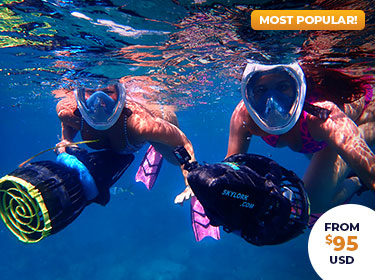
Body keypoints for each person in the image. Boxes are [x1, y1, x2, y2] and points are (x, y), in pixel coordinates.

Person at [224, 61, 375, 213]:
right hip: (322, 138)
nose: (272, 103)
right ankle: (345, 178)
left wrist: (365, 174)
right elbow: (231, 165)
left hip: (367, 113)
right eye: (261, 90)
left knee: (312, 203)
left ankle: (358, 181)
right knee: (310, 198)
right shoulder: (244, 116)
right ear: (249, 94)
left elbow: (371, 169)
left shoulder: (321, 116)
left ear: (298, 89)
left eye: (282, 87)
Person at [54, 76, 196, 203]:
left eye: (108, 93)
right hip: (133, 139)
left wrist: (191, 182)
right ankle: (157, 140)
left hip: (158, 119)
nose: (98, 101)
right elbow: (67, 122)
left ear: (121, 95)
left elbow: (182, 142)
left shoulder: (141, 125)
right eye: (90, 92)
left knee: (172, 159)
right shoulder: (68, 113)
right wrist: (67, 140)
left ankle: (156, 142)